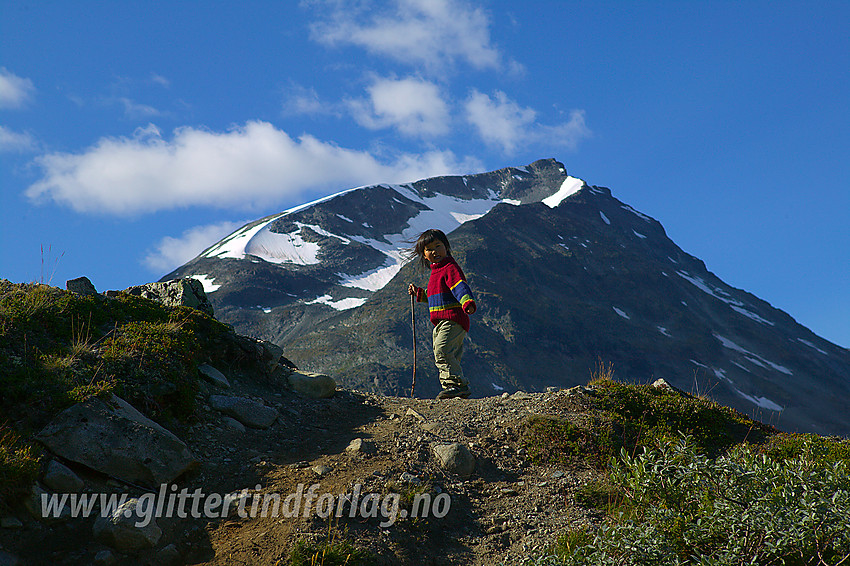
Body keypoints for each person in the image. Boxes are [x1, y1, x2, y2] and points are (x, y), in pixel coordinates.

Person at [407, 229, 477, 399]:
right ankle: (453, 388)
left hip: (452, 319)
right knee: (447, 353)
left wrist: (467, 301)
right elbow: (435, 297)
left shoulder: (450, 268)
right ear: (424, 255)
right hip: (441, 322)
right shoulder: (436, 272)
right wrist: (419, 294)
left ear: (446, 247)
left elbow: (459, 287)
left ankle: (456, 385)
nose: (435, 251)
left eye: (438, 246)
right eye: (429, 249)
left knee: (442, 350)